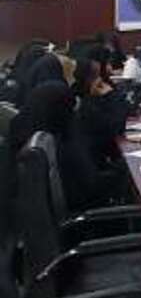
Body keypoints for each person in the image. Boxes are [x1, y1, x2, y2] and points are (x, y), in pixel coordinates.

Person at [10, 80, 120, 211]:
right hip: (90, 215)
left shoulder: (27, 137)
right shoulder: (63, 145)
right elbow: (91, 186)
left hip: (74, 214)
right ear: (62, 110)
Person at [74, 56, 133, 165]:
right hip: (101, 164)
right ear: (86, 80)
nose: (100, 79)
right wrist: (111, 95)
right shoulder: (86, 105)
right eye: (95, 76)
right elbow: (117, 126)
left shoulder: (90, 99)